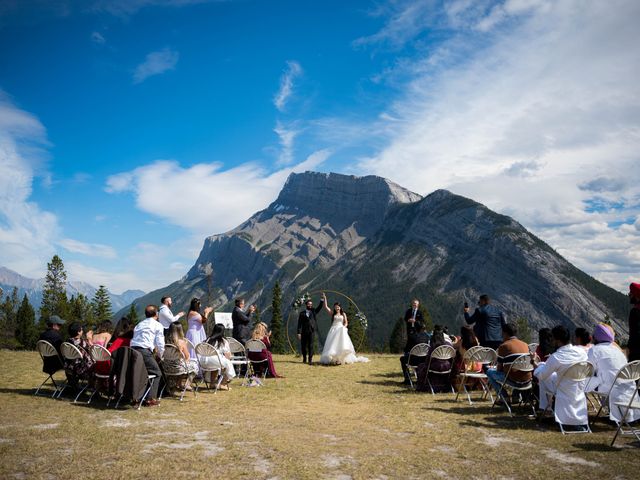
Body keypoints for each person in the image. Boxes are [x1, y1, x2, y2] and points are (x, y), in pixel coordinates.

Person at [534, 325, 589, 429]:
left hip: (563, 388)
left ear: (557, 340)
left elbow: (542, 375)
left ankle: (546, 409)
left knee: (544, 378)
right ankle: (546, 410)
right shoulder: (582, 352)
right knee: (551, 376)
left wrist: (540, 365)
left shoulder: (557, 357)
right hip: (579, 387)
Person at [586, 324, 639, 424]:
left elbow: (590, 370)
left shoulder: (594, 350)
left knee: (586, 382)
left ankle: (576, 415)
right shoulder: (617, 350)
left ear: (596, 338)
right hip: (629, 390)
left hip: (610, 388)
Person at [485, 323, 531, 402]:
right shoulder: (526, 345)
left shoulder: (504, 346)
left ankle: (504, 397)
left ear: (505, 333)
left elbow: (499, 369)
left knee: (489, 372)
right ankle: (515, 396)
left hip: (513, 380)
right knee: (519, 372)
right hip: (527, 380)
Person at [130, 305, 165, 406]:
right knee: (157, 373)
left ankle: (137, 396)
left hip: (132, 351)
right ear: (156, 314)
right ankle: (150, 398)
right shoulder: (157, 325)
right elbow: (160, 343)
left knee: (140, 373)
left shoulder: (139, 324)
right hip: (144, 351)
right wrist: (160, 355)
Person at [320, 300, 369, 365]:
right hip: (334, 330)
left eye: (338, 307)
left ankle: (340, 359)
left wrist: (344, 327)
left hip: (341, 329)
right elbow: (326, 307)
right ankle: (335, 359)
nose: (337, 308)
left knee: (341, 344)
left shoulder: (343, 314)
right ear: (334, 308)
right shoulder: (333, 314)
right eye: (335, 307)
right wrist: (325, 298)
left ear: (340, 307)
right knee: (333, 344)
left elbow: (346, 322)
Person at [416, 326, 453, 392]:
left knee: (420, 366)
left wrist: (425, 367)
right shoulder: (448, 345)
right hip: (447, 367)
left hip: (435, 367)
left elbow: (428, 360)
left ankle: (423, 386)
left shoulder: (433, 346)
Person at [166, 323, 198, 391]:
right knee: (195, 365)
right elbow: (187, 356)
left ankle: (178, 384)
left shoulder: (164, 341)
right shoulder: (181, 342)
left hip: (166, 367)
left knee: (184, 366)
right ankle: (187, 384)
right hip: (177, 367)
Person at [204, 323, 236, 389]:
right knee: (226, 363)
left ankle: (212, 383)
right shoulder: (223, 341)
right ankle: (223, 384)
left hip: (204, 362)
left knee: (216, 363)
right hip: (215, 361)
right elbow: (228, 356)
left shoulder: (208, 340)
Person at [64, 322, 95, 388]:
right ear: (78, 332)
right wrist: (89, 339)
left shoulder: (67, 341)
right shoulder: (82, 342)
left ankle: (73, 385)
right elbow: (93, 350)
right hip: (80, 369)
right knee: (95, 368)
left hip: (69, 368)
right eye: (81, 330)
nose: (82, 331)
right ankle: (93, 388)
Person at [297, 293, 325, 364]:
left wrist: (322, 299)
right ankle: (304, 358)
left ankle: (310, 360)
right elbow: (299, 324)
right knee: (303, 346)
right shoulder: (302, 313)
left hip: (312, 331)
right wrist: (299, 333)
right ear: (306, 305)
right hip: (304, 331)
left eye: (311, 304)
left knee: (311, 346)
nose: (310, 305)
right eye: (309, 304)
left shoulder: (313, 311)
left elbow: (319, 307)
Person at [628, 282, 640, 361]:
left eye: (630, 293)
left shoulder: (635, 311)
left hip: (636, 352)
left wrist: (630, 348)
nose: (629, 295)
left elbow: (634, 333)